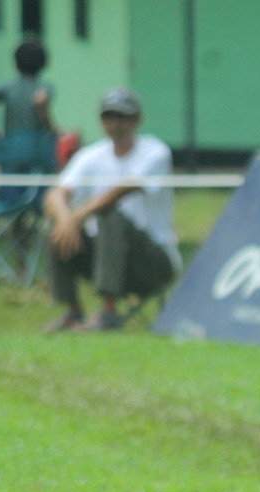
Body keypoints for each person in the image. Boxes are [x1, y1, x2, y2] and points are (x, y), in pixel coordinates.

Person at [43, 87, 181, 332]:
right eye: (109, 117)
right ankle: (72, 311)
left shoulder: (155, 152)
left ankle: (108, 311)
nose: (115, 124)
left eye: (122, 117)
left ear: (137, 119)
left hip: (153, 262)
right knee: (53, 226)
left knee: (110, 216)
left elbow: (122, 191)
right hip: (105, 258)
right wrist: (66, 219)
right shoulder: (90, 155)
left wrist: (79, 216)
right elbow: (55, 195)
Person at [0, 38, 56, 175]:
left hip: (10, 147)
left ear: (16, 63)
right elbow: (42, 106)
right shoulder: (44, 87)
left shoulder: (7, 87)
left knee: (10, 188)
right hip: (38, 147)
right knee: (39, 189)